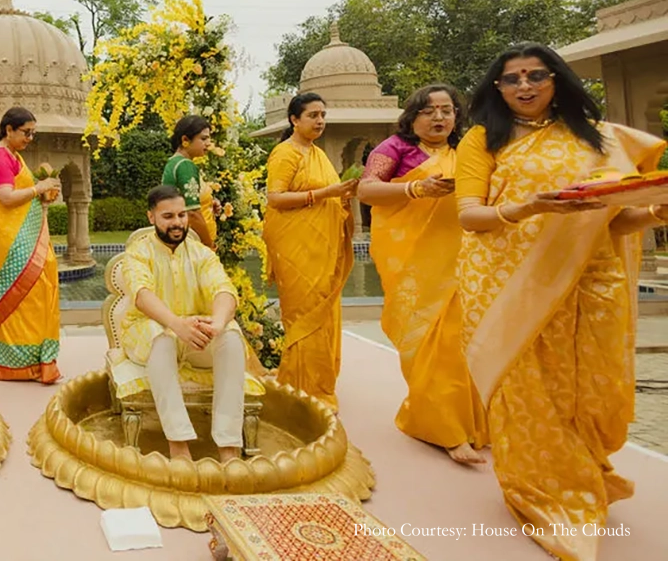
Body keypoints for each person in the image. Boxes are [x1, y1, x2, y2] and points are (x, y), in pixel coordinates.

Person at [455, 43, 666, 561]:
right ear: (497, 88)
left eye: (535, 76)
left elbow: (613, 218)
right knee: (530, 389)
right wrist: (527, 206)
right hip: (508, 284)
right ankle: (545, 493)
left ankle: (584, 472)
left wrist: (656, 213)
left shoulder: (595, 138)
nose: (524, 87)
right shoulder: (483, 140)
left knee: (592, 384)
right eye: (511, 79)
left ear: (557, 79)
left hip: (592, 277)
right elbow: (468, 216)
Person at [357, 84, 487, 465]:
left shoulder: (466, 153)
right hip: (414, 270)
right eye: (429, 111)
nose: (440, 118)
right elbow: (367, 190)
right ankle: (444, 430)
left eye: (447, 110)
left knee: (463, 345)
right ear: (412, 117)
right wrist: (416, 188)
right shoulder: (394, 149)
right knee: (430, 346)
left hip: (462, 265)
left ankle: (470, 424)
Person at [120, 184, 262, 462]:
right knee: (159, 337)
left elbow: (224, 290)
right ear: (151, 218)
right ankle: (179, 444)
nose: (177, 223)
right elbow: (141, 295)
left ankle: (229, 447)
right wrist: (176, 325)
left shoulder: (202, 254)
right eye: (168, 216)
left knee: (232, 336)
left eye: (182, 215)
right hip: (147, 333)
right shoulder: (138, 253)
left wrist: (218, 325)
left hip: (196, 338)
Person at [261, 92, 357, 411]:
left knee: (323, 312)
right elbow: (275, 198)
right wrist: (327, 193)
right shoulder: (285, 153)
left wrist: (341, 199)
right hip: (294, 247)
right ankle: (300, 387)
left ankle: (318, 385)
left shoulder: (317, 154)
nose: (319, 121)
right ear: (294, 120)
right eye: (312, 115)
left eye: (322, 115)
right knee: (304, 314)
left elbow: (327, 196)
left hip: (322, 248)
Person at [0, 106, 63, 383]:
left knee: (38, 287)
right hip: (5, 237)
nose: (30, 138)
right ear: (8, 130)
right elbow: (6, 198)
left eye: (33, 133)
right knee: (23, 290)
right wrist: (39, 187)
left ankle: (34, 358)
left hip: (15, 233)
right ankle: (10, 362)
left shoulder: (13, 155)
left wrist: (42, 196)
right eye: (26, 132)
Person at [162, 115, 222, 249]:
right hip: (192, 246)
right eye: (203, 138)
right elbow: (192, 213)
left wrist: (208, 203)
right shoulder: (185, 166)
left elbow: (185, 199)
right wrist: (209, 246)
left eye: (209, 139)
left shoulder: (174, 163)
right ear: (185, 140)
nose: (208, 143)